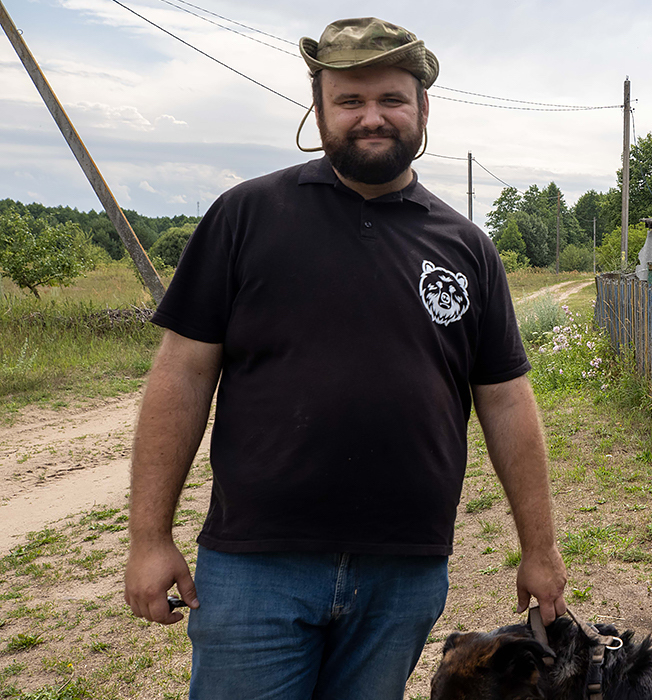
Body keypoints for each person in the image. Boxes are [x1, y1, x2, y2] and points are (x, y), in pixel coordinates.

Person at [122, 17, 567, 700]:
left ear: (422, 108)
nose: (372, 118)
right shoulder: (245, 217)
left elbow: (505, 400)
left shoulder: (465, 246)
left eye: (391, 99)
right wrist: (149, 537)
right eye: (349, 101)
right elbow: (181, 375)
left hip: (404, 572)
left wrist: (540, 549)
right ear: (319, 108)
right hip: (254, 565)